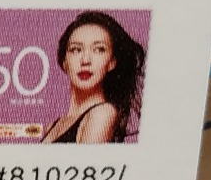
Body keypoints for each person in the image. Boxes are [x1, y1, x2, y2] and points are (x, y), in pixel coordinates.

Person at [42, 11, 145, 144]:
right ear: (65, 62)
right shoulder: (53, 126)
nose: (85, 60)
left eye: (99, 50)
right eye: (76, 50)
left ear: (111, 62)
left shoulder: (103, 114)